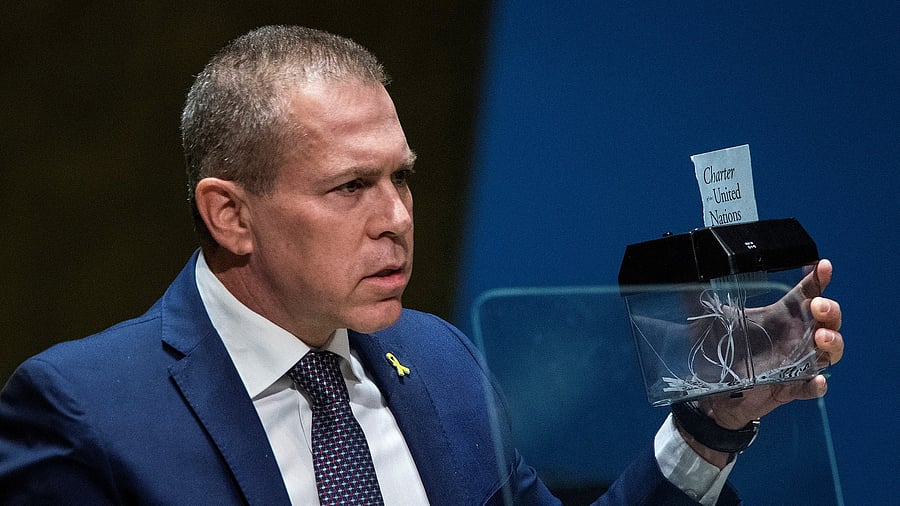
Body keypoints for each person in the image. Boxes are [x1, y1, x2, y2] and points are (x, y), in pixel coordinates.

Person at [0, 25, 844, 505]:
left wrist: (712, 424)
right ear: (231, 214)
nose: (398, 218)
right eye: (350, 187)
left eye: (402, 176)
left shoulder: (440, 361)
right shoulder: (84, 410)